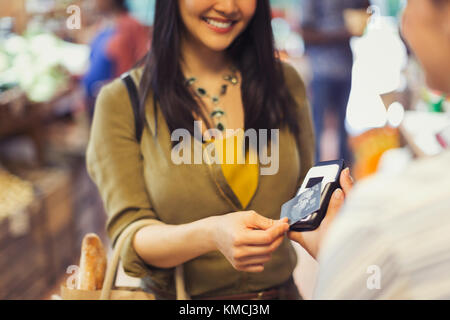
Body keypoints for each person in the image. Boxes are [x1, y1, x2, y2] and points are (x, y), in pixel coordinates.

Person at [86, 0, 319, 300]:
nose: (228, 6)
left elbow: (302, 198)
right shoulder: (122, 101)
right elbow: (130, 235)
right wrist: (210, 234)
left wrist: (330, 219)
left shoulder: (284, 83)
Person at [290, 0, 450, 299]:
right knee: (319, 132)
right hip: (325, 69)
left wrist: (350, 250)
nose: (404, 19)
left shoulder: (381, 215)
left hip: (342, 68)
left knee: (336, 145)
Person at [299, 0, 370, 163]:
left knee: (343, 125)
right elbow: (305, 33)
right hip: (321, 69)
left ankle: (344, 172)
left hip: (345, 68)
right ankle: (314, 170)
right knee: (317, 125)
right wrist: (342, 34)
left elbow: (365, 9)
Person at [82, 0, 149, 119]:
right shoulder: (101, 26)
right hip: (97, 107)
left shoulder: (131, 25)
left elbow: (143, 67)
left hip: (121, 109)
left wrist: (115, 88)